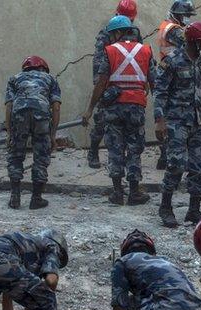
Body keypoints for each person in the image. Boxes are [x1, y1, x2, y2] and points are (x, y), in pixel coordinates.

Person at [154, 22, 201, 228]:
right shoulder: (172, 62)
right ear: (195, 41)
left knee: (199, 165)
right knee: (175, 164)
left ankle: (194, 210)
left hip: (195, 121)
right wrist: (160, 121)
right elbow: (160, 92)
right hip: (176, 121)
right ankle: (165, 207)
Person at [82, 15, 156, 206]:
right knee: (134, 149)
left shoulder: (110, 51)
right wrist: (160, 114)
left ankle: (117, 192)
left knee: (115, 148)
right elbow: (155, 83)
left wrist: (90, 109)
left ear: (117, 33)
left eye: (111, 34)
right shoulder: (146, 50)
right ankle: (134, 193)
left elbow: (101, 83)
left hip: (113, 108)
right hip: (136, 108)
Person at [91, 230, 201, 310]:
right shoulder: (166, 262)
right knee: (134, 302)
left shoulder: (123, 262)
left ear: (125, 252)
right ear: (152, 253)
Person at [88, 0, 142, 169]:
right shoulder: (107, 33)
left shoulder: (134, 34)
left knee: (127, 124)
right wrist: (101, 87)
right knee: (101, 119)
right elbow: (99, 62)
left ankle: (123, 155)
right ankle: (94, 150)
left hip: (128, 83)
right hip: (109, 81)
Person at [5, 56, 61, 210]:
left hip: (19, 114)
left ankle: (15, 197)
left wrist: (9, 133)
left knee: (15, 155)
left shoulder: (14, 78)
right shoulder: (50, 79)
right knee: (41, 156)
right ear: (43, 68)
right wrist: (53, 135)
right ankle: (36, 198)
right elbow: (56, 107)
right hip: (41, 115)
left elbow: (9, 106)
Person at [154, 0, 198, 170]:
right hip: (175, 74)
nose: (188, 18)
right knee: (175, 118)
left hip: (171, 72)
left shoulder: (168, 26)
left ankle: (165, 157)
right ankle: (171, 158)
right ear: (177, 14)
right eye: (186, 15)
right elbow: (190, 45)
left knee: (171, 117)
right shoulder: (174, 30)